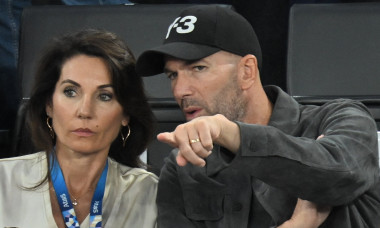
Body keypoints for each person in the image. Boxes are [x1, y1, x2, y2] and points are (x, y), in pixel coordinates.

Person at [136, 5, 380, 228]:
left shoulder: (341, 118)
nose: (180, 91)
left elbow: (340, 176)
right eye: (172, 76)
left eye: (198, 68)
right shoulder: (183, 166)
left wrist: (233, 134)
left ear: (247, 71)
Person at [0, 29, 158, 227]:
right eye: (70, 92)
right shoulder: (3, 181)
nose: (84, 111)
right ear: (49, 105)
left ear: (126, 114)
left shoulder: (148, 193)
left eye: (105, 96)